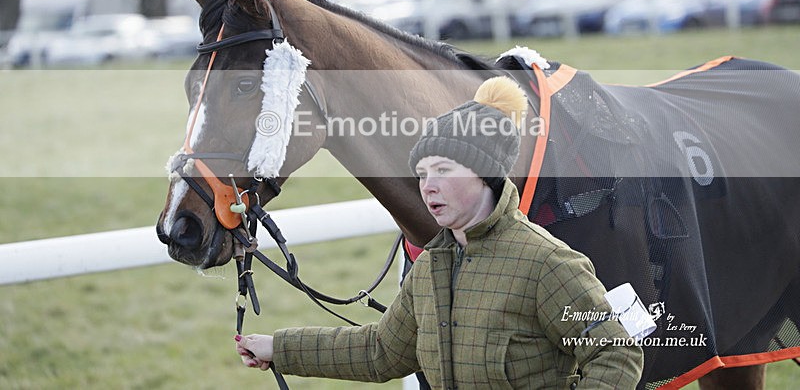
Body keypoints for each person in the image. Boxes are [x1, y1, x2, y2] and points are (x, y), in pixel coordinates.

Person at [235, 76, 644, 388]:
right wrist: (279, 348)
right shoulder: (429, 266)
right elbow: (381, 352)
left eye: (444, 171)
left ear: (484, 174)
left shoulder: (549, 264)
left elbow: (616, 356)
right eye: (423, 173)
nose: (427, 186)